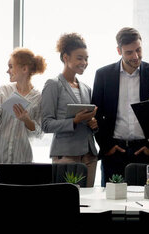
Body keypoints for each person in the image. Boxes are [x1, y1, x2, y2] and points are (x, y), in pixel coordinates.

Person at [92, 27, 149, 185]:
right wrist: (107, 146)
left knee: (146, 203)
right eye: (129, 52)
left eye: (138, 50)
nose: (135, 56)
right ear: (119, 51)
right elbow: (95, 114)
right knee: (111, 203)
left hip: (144, 151)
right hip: (114, 151)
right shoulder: (103, 75)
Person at [41, 33, 98, 187]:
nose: (84, 62)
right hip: (66, 155)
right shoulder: (53, 85)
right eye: (79, 58)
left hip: (89, 156)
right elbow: (46, 124)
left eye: (86, 58)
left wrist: (93, 123)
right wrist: (74, 121)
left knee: (89, 204)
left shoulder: (86, 88)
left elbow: (88, 124)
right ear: (65, 57)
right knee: (66, 204)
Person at [0, 48, 47, 163]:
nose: (7, 71)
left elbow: (39, 134)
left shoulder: (39, 98)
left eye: (11, 66)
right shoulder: (4, 90)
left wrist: (27, 120)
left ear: (24, 69)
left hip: (22, 160)